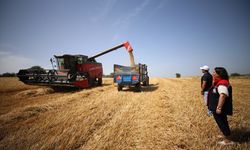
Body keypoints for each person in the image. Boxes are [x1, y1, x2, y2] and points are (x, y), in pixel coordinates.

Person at [208, 67, 234, 145]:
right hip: (218, 107)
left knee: (221, 122)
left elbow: (222, 96)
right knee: (223, 121)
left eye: (214, 73)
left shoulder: (222, 83)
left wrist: (219, 108)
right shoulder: (219, 82)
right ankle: (225, 135)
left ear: (220, 74)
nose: (213, 74)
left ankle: (227, 140)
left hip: (219, 108)